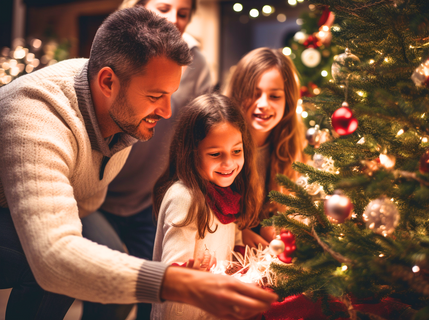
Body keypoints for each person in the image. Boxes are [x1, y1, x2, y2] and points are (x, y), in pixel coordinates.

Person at [0, 7, 277, 320]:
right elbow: (53, 257)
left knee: (115, 282)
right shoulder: (37, 118)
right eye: (156, 95)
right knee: (57, 269)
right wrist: (178, 282)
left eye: (170, 94)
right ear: (108, 82)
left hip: (76, 208)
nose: (167, 111)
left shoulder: (116, 105)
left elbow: (86, 201)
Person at [80, 0, 212, 318]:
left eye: (183, 13)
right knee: (108, 294)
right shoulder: (119, 53)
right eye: (164, 8)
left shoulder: (196, 64)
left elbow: (198, 132)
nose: (174, 20)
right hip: (96, 195)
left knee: (149, 296)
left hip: (146, 198)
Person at [151, 93, 263, 319]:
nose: (229, 163)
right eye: (215, 154)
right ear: (191, 153)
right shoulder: (185, 198)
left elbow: (235, 246)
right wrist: (195, 272)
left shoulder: (228, 194)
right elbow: (174, 272)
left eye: (237, 151)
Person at [225, 47, 307, 247]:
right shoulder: (220, 145)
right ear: (238, 94)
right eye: (254, 94)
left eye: (275, 96)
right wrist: (238, 232)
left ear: (288, 101)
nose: (263, 104)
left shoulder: (289, 145)